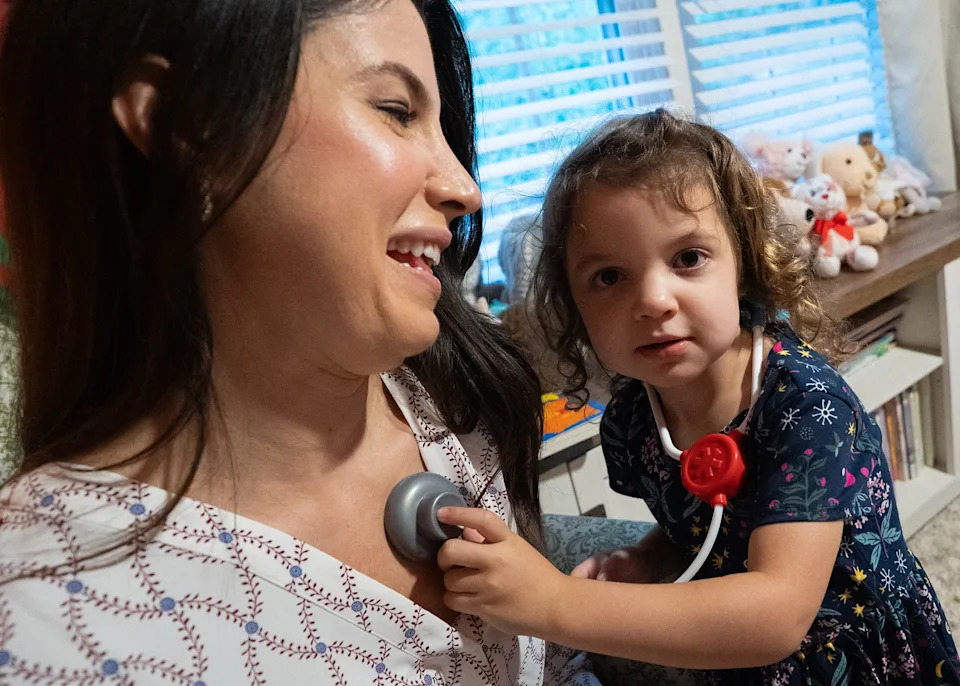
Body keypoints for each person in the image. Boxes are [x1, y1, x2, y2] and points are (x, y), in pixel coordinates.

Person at [0, 1, 596, 683]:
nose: (464, 188)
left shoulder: (455, 400)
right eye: (397, 111)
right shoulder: (42, 621)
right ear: (189, 127)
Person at [436, 110, 960, 684]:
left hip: (858, 660)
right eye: (609, 276)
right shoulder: (635, 417)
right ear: (576, 311)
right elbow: (702, 522)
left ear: (744, 264)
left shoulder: (806, 408)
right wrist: (649, 556)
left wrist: (555, 605)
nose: (654, 299)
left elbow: (775, 615)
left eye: (688, 258)